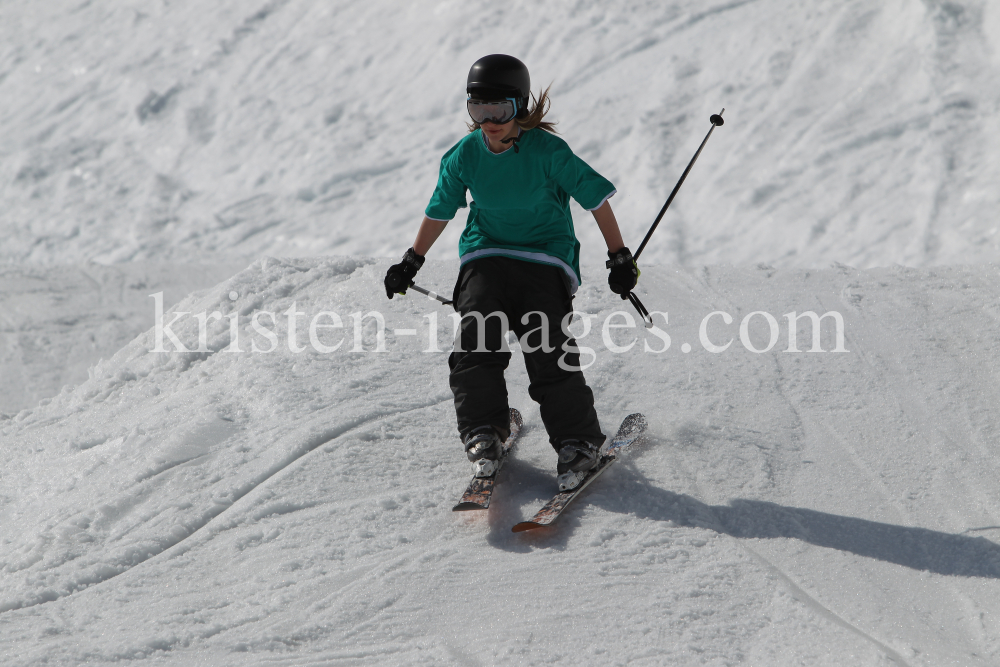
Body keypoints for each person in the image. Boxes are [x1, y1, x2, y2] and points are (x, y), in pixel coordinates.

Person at [383, 54, 639, 491]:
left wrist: (619, 256)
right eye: (477, 110)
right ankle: (483, 432)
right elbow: (440, 209)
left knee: (545, 342)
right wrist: (411, 260)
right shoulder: (465, 154)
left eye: (498, 109)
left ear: (518, 105)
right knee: (476, 338)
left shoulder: (548, 151)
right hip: (485, 253)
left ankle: (577, 441)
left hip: (545, 257)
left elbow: (595, 199)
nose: (489, 121)